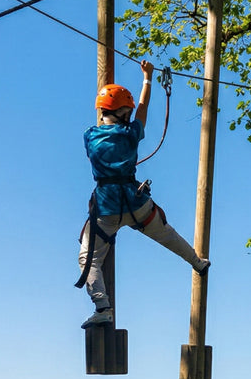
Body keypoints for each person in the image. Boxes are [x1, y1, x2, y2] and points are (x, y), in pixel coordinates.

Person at [78, 60, 210, 327]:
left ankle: (103, 308)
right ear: (124, 112)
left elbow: (118, 117)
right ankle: (197, 262)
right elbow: (143, 108)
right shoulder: (130, 134)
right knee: (167, 234)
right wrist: (147, 78)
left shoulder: (90, 136)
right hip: (136, 203)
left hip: (106, 209)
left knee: (88, 259)